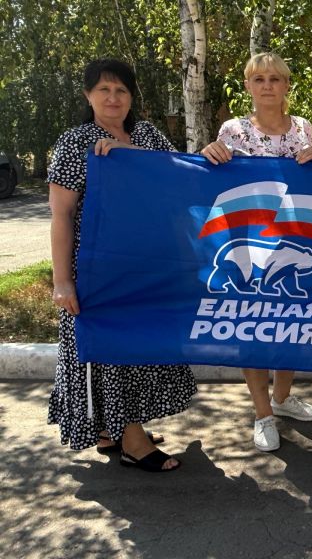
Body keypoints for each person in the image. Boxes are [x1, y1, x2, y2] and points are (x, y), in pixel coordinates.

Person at [48, 58, 197, 472]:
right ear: (87, 96)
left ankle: (114, 429)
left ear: (132, 97)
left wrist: (133, 156)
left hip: (148, 267)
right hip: (98, 271)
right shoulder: (75, 143)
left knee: (141, 345)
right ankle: (132, 441)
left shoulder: (148, 135)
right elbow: (61, 216)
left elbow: (183, 179)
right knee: (112, 350)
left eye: (122, 91)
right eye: (103, 90)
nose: (113, 99)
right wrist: (63, 281)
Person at [200, 52, 312, 452]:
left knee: (288, 319)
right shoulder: (232, 129)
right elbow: (212, 178)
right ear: (249, 86)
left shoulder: (303, 128)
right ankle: (262, 413)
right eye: (259, 79)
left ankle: (283, 400)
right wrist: (210, 154)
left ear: (287, 85)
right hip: (249, 243)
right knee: (251, 326)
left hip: (292, 237)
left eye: (275, 78)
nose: (267, 85)